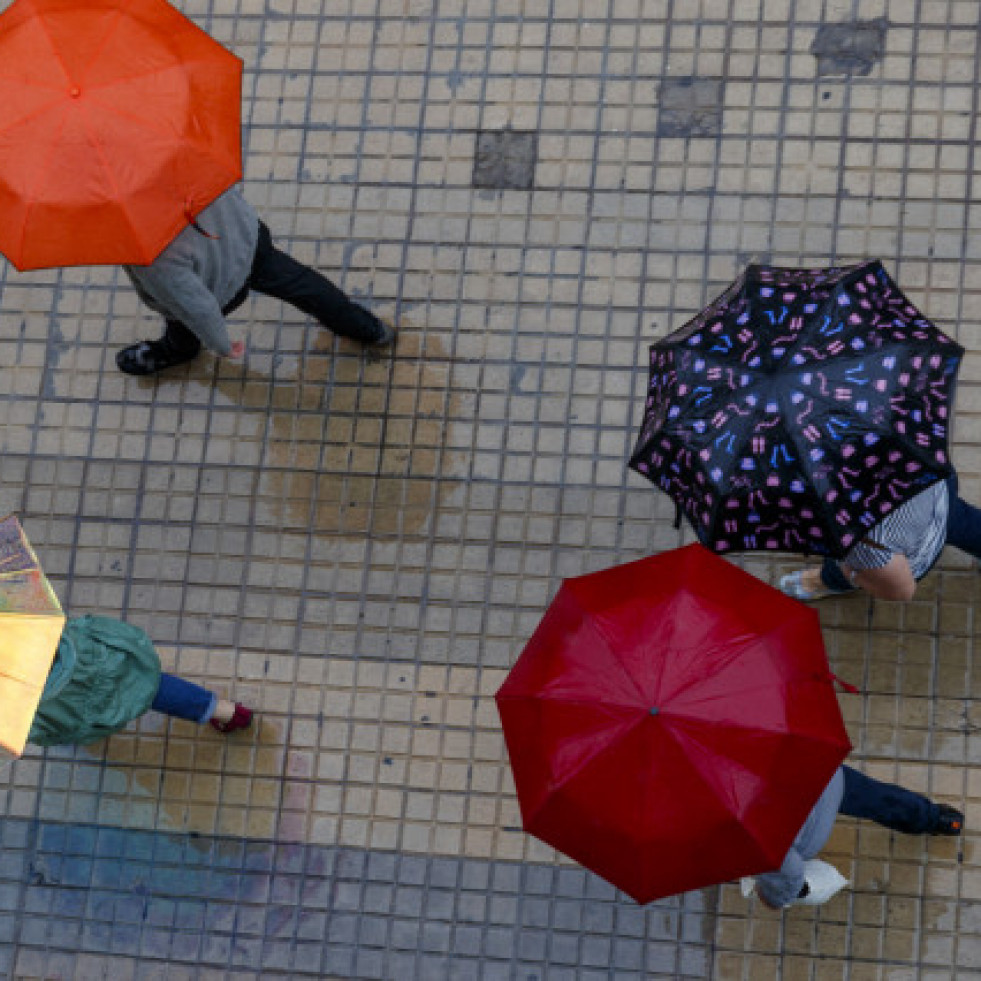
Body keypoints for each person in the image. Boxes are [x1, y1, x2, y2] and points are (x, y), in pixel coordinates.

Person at [116, 187, 395, 375]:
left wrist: (222, 344)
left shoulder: (149, 254)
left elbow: (197, 308)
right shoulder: (181, 161)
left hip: (219, 286)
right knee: (302, 284)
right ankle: (367, 328)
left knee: (182, 326)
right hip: (247, 240)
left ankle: (177, 351)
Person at [752, 764, 962, 910]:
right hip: (825, 774)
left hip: (809, 824)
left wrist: (776, 897)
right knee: (877, 797)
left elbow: (786, 869)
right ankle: (937, 818)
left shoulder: (748, 829)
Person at [28, 615, 252, 746]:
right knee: (151, 685)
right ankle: (230, 713)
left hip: (64, 703)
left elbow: (34, 732)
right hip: (88, 656)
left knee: (95, 714)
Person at [780, 473, 981, 602]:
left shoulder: (864, 541)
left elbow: (901, 590)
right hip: (937, 485)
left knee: (846, 569)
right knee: (965, 522)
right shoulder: (877, 420)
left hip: (919, 544)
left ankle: (828, 580)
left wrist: (852, 573)